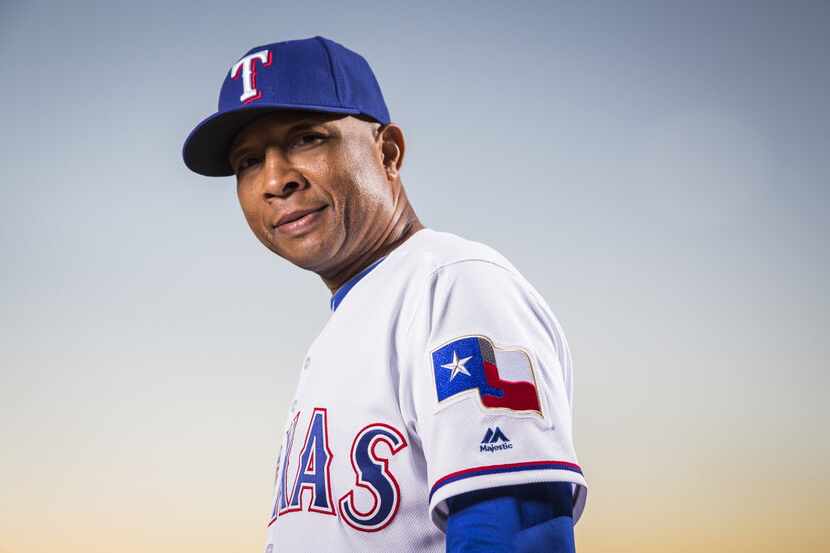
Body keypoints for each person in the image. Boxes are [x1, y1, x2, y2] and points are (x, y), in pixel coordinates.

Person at [182, 35, 587, 553]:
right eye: (247, 162)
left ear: (388, 152)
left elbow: (510, 529)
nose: (275, 179)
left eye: (307, 138)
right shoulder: (359, 314)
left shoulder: (452, 284)